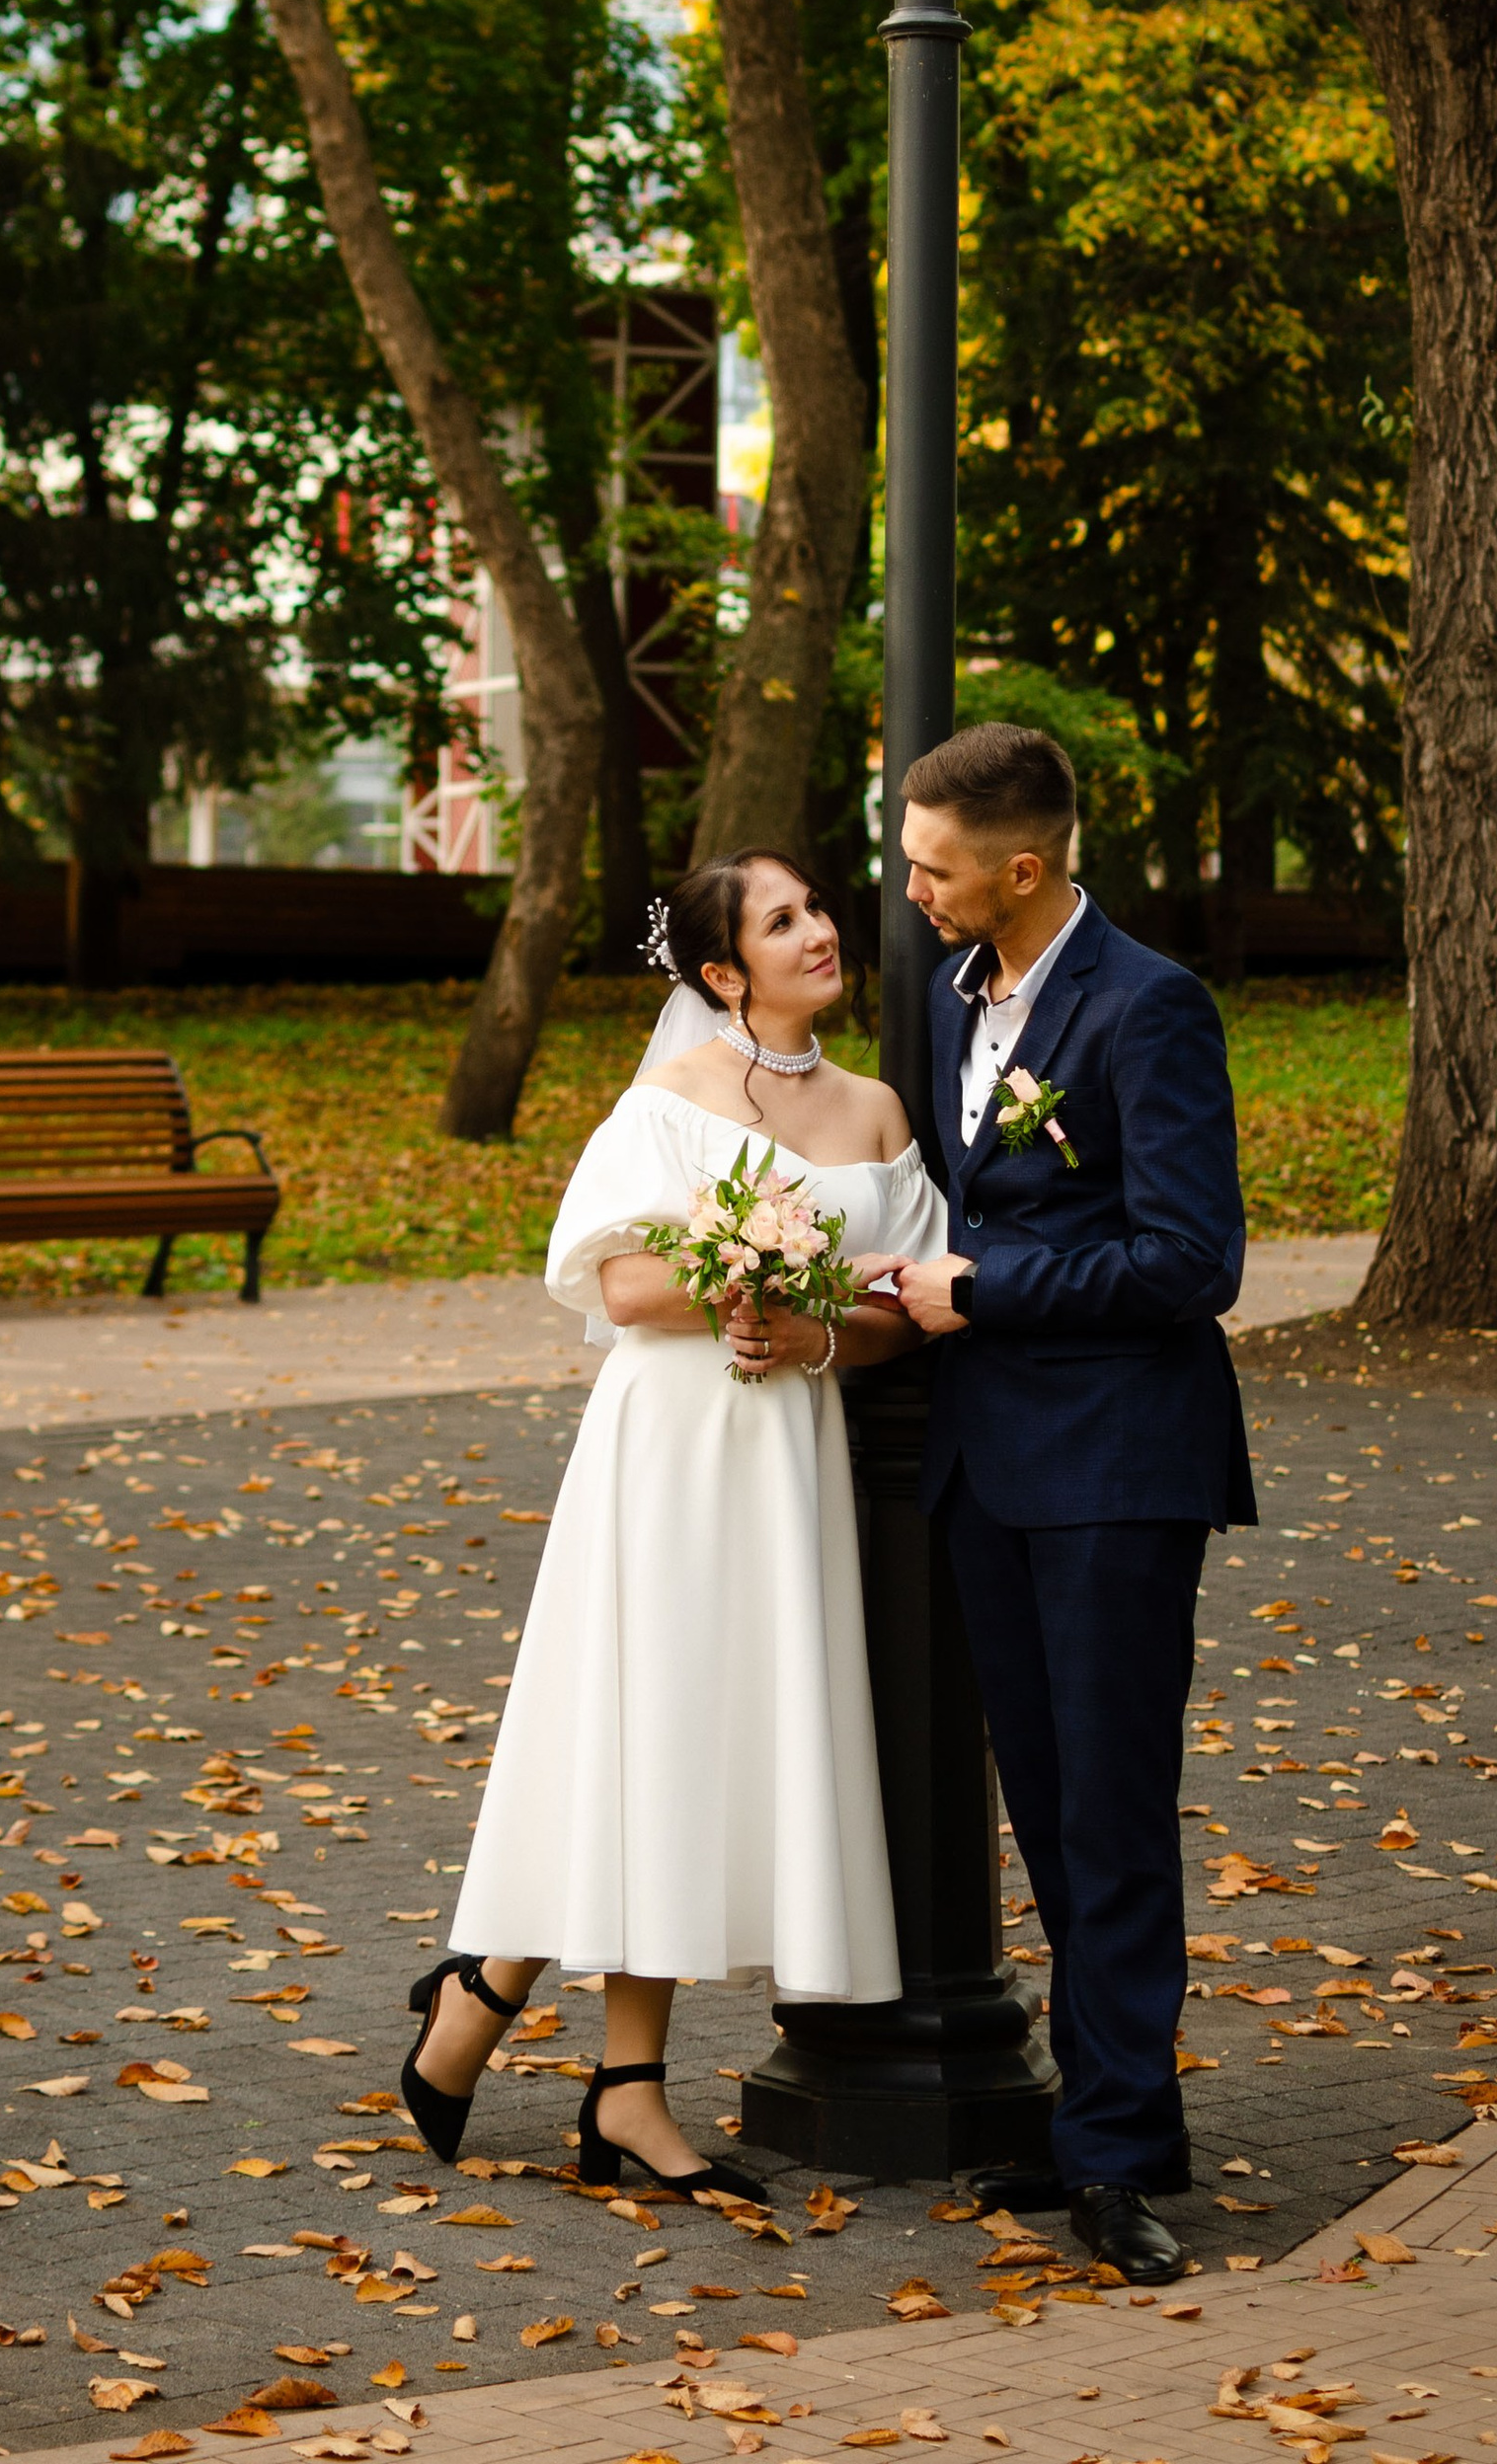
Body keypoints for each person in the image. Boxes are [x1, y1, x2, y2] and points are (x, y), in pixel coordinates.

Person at [399, 851, 941, 2194]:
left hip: (789, 1449)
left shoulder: (876, 1110)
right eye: (781, 920)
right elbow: (624, 1281)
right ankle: (603, 2077)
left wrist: (817, 1327)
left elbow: (905, 1311)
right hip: (673, 1445)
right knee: (646, 1736)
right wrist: (737, 1279)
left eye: (816, 907)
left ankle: (529, 2026)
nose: (818, 929)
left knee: (708, 1752)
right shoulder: (669, 1098)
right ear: (719, 972)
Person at [878, 719, 1254, 2286]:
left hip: (1113, 1465)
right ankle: (1125, 2104)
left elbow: (1193, 1260)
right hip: (987, 1467)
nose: (911, 888)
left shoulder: (1150, 1007)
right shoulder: (960, 997)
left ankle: (1111, 2156)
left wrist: (985, 1282)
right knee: (1045, 1803)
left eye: (934, 865)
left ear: (1021, 868)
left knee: (1109, 1813)